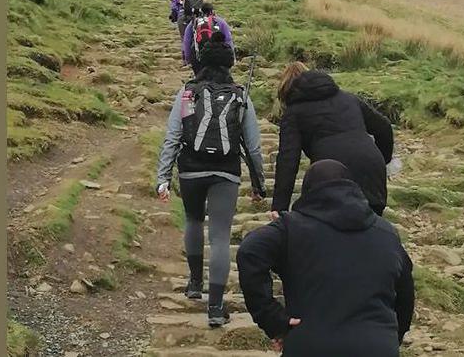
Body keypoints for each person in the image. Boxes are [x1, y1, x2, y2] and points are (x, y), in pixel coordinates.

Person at [237, 159, 414, 356]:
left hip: (311, 344)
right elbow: (405, 295)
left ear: (308, 193)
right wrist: (390, 336)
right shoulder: (386, 233)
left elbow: (249, 251)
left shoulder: (290, 228)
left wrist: (272, 318)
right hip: (377, 346)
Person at [156, 39, 267, 328]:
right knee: (219, 236)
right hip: (225, 173)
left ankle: (194, 284)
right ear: (229, 64)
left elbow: (172, 137)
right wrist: (259, 184)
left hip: (191, 170)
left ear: (199, 63)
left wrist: (163, 178)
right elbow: (253, 147)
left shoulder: (187, 92)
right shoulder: (240, 95)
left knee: (193, 221)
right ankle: (216, 308)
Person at [271, 63, 394, 216]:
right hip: (371, 169)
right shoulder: (349, 99)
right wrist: (383, 159)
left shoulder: (294, 113)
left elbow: (288, 159)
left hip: (330, 172)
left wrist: (279, 206)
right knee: (370, 228)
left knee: (328, 230)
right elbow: (384, 128)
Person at [182, 3, 234, 71]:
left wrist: (188, 59)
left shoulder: (194, 22)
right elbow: (228, 40)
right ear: (212, 11)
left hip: (199, 58)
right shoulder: (220, 22)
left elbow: (187, 41)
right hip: (218, 57)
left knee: (200, 78)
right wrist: (232, 58)